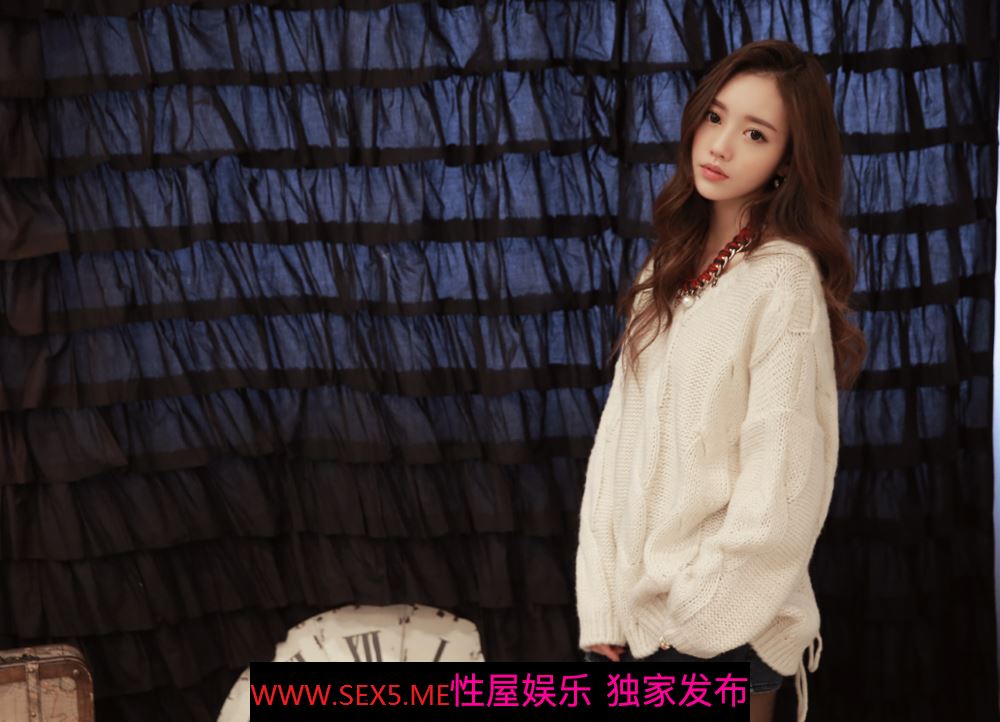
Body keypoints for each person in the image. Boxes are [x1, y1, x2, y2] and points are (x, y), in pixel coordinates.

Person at [575, 39, 867, 722]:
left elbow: (783, 485)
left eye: (756, 133)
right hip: (640, 623)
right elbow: (617, 447)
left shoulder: (782, 279)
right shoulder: (666, 269)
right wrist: (603, 605)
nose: (722, 145)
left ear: (787, 161)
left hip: (722, 628)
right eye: (716, 117)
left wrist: (697, 623)